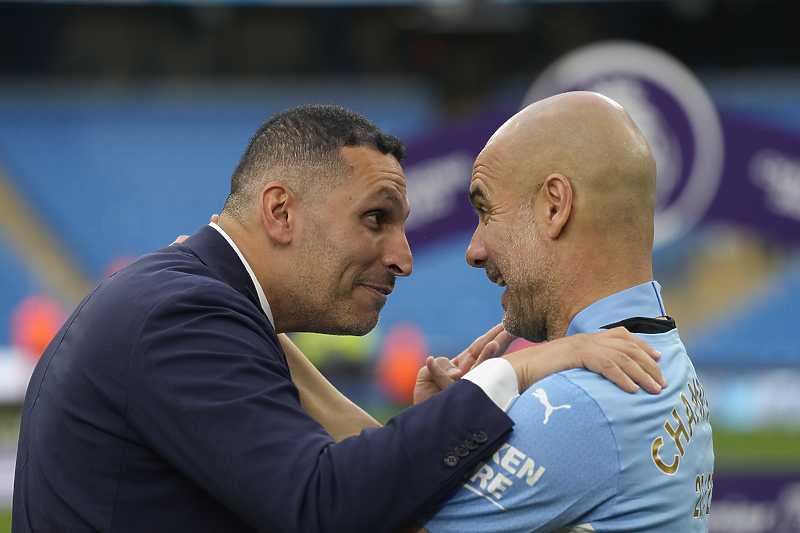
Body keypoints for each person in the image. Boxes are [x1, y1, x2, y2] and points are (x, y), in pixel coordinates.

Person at [12, 104, 665, 533]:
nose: (404, 258)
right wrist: (514, 370)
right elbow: (323, 507)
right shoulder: (183, 316)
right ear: (281, 212)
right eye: (376, 219)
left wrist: (426, 426)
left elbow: (331, 474)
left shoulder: (195, 297)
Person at [399, 92, 713, 532]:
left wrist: (501, 380)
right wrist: (440, 427)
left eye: (486, 211)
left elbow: (356, 515)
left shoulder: (582, 404)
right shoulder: (662, 354)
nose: (474, 250)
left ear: (554, 206)